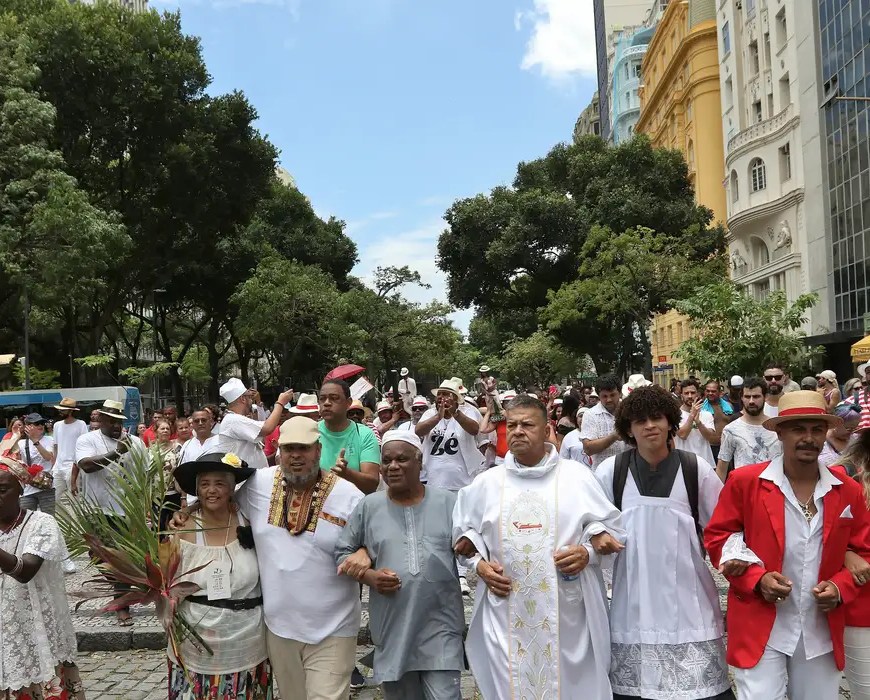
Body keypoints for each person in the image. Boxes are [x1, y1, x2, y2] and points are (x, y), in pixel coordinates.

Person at [173, 417, 365, 699]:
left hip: (334, 626)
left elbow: (373, 539)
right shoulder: (259, 484)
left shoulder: (349, 496)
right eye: (289, 448)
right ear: (279, 452)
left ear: (318, 449)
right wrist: (186, 512)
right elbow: (221, 499)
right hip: (279, 628)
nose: (296, 455)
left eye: (303, 448)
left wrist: (364, 553)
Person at [452, 394, 625, 699]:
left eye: (527, 425)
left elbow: (611, 530)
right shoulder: (486, 484)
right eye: (512, 425)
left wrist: (587, 552)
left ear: (546, 430)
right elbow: (463, 538)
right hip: (506, 610)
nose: (517, 431)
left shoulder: (576, 477)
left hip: (568, 613)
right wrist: (480, 566)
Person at [705, 390, 870, 700]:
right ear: (780, 432)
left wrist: (840, 587)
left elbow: (864, 551)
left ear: (826, 432)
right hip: (760, 621)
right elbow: (718, 537)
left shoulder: (847, 489)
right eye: (798, 429)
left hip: (819, 626)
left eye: (816, 429)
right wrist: (757, 579)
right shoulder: (745, 482)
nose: (808, 438)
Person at [595, 385, 733, 700]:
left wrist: (737, 564)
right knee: (637, 690)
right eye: (640, 420)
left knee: (701, 690)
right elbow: (591, 524)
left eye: (657, 417)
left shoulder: (695, 468)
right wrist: (597, 535)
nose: (650, 426)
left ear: (670, 421)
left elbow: (723, 527)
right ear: (628, 429)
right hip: (634, 600)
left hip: (690, 601)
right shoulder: (611, 472)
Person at [335, 432, 465, 699]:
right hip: (393, 627)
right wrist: (369, 576)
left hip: (441, 625)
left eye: (402, 459)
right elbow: (341, 553)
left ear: (419, 462)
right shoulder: (368, 507)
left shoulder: (449, 503)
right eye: (386, 461)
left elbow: (472, 548)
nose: (393, 466)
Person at [168, 452, 270, 700]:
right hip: (197, 645)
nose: (211, 491)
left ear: (233, 488)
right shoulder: (183, 529)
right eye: (204, 484)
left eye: (220, 483)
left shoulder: (250, 522)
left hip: (248, 642)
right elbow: (168, 583)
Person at [0, 456, 85, 700]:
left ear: (20, 489)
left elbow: (25, 571)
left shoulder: (41, 523)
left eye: (2, 490)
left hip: (37, 632)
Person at [75, 399, 147, 626]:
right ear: (101, 419)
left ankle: (121, 604)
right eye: (111, 421)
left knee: (121, 558)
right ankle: (118, 587)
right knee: (98, 556)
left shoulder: (136, 442)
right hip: (97, 510)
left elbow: (144, 473)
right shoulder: (87, 439)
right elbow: (86, 465)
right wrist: (116, 452)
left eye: (119, 421)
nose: (116, 426)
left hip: (126, 511)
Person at [415, 378, 483, 594]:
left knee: (461, 528)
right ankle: (440, 570)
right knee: (438, 529)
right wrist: (438, 416)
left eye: (447, 395)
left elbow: (475, 430)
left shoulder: (469, 411)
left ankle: (462, 575)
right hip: (435, 481)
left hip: (462, 482)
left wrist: (455, 414)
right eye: (440, 395)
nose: (442, 399)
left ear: (456, 398)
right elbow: (419, 430)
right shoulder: (429, 414)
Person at [215, 378, 294, 470]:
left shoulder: (235, 419)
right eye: (249, 397)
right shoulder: (233, 420)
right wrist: (280, 403)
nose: (251, 401)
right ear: (243, 399)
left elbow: (262, 423)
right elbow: (267, 428)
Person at [318, 380, 381, 495]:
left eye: (334, 398)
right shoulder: (311, 432)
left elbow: (372, 485)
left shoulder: (364, 434)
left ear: (348, 403)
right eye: (322, 399)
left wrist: (346, 473)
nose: (326, 403)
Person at [716, 377, 783, 481]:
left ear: (765, 397)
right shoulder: (730, 430)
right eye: (747, 397)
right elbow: (722, 468)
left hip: (773, 487)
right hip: (743, 488)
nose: (751, 401)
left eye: (756, 396)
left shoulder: (777, 428)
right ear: (742, 398)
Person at [580, 374, 627, 470]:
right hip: (603, 473)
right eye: (604, 396)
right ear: (599, 396)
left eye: (612, 395)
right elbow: (588, 449)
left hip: (630, 470)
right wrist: (614, 436)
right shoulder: (591, 414)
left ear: (620, 393)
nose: (608, 400)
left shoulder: (630, 410)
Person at [17, 413, 57, 516]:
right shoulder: (21, 443)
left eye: (42, 423)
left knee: (49, 517)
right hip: (28, 487)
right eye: (37, 423)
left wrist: (35, 440)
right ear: (28, 426)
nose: (41, 426)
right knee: (25, 518)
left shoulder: (49, 440)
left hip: (46, 485)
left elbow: (48, 457)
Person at [51, 398, 87, 507]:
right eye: (60, 410)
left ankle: (77, 518)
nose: (60, 412)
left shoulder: (81, 424)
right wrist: (54, 465)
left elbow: (84, 446)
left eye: (63, 410)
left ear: (71, 411)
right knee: (54, 499)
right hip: (58, 467)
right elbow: (56, 446)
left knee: (75, 498)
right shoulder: (57, 425)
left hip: (72, 466)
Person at [675, 379, 718, 465]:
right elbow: (683, 435)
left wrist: (698, 422)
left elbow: (710, 438)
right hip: (685, 463)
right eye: (686, 393)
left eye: (693, 393)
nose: (690, 396)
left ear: (697, 394)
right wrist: (692, 415)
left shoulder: (707, 414)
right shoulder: (675, 414)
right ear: (681, 395)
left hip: (706, 462)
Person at [819, 401, 862, 470]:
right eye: (849, 429)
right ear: (836, 424)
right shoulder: (821, 441)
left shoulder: (856, 440)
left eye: (854, 429)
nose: (852, 432)